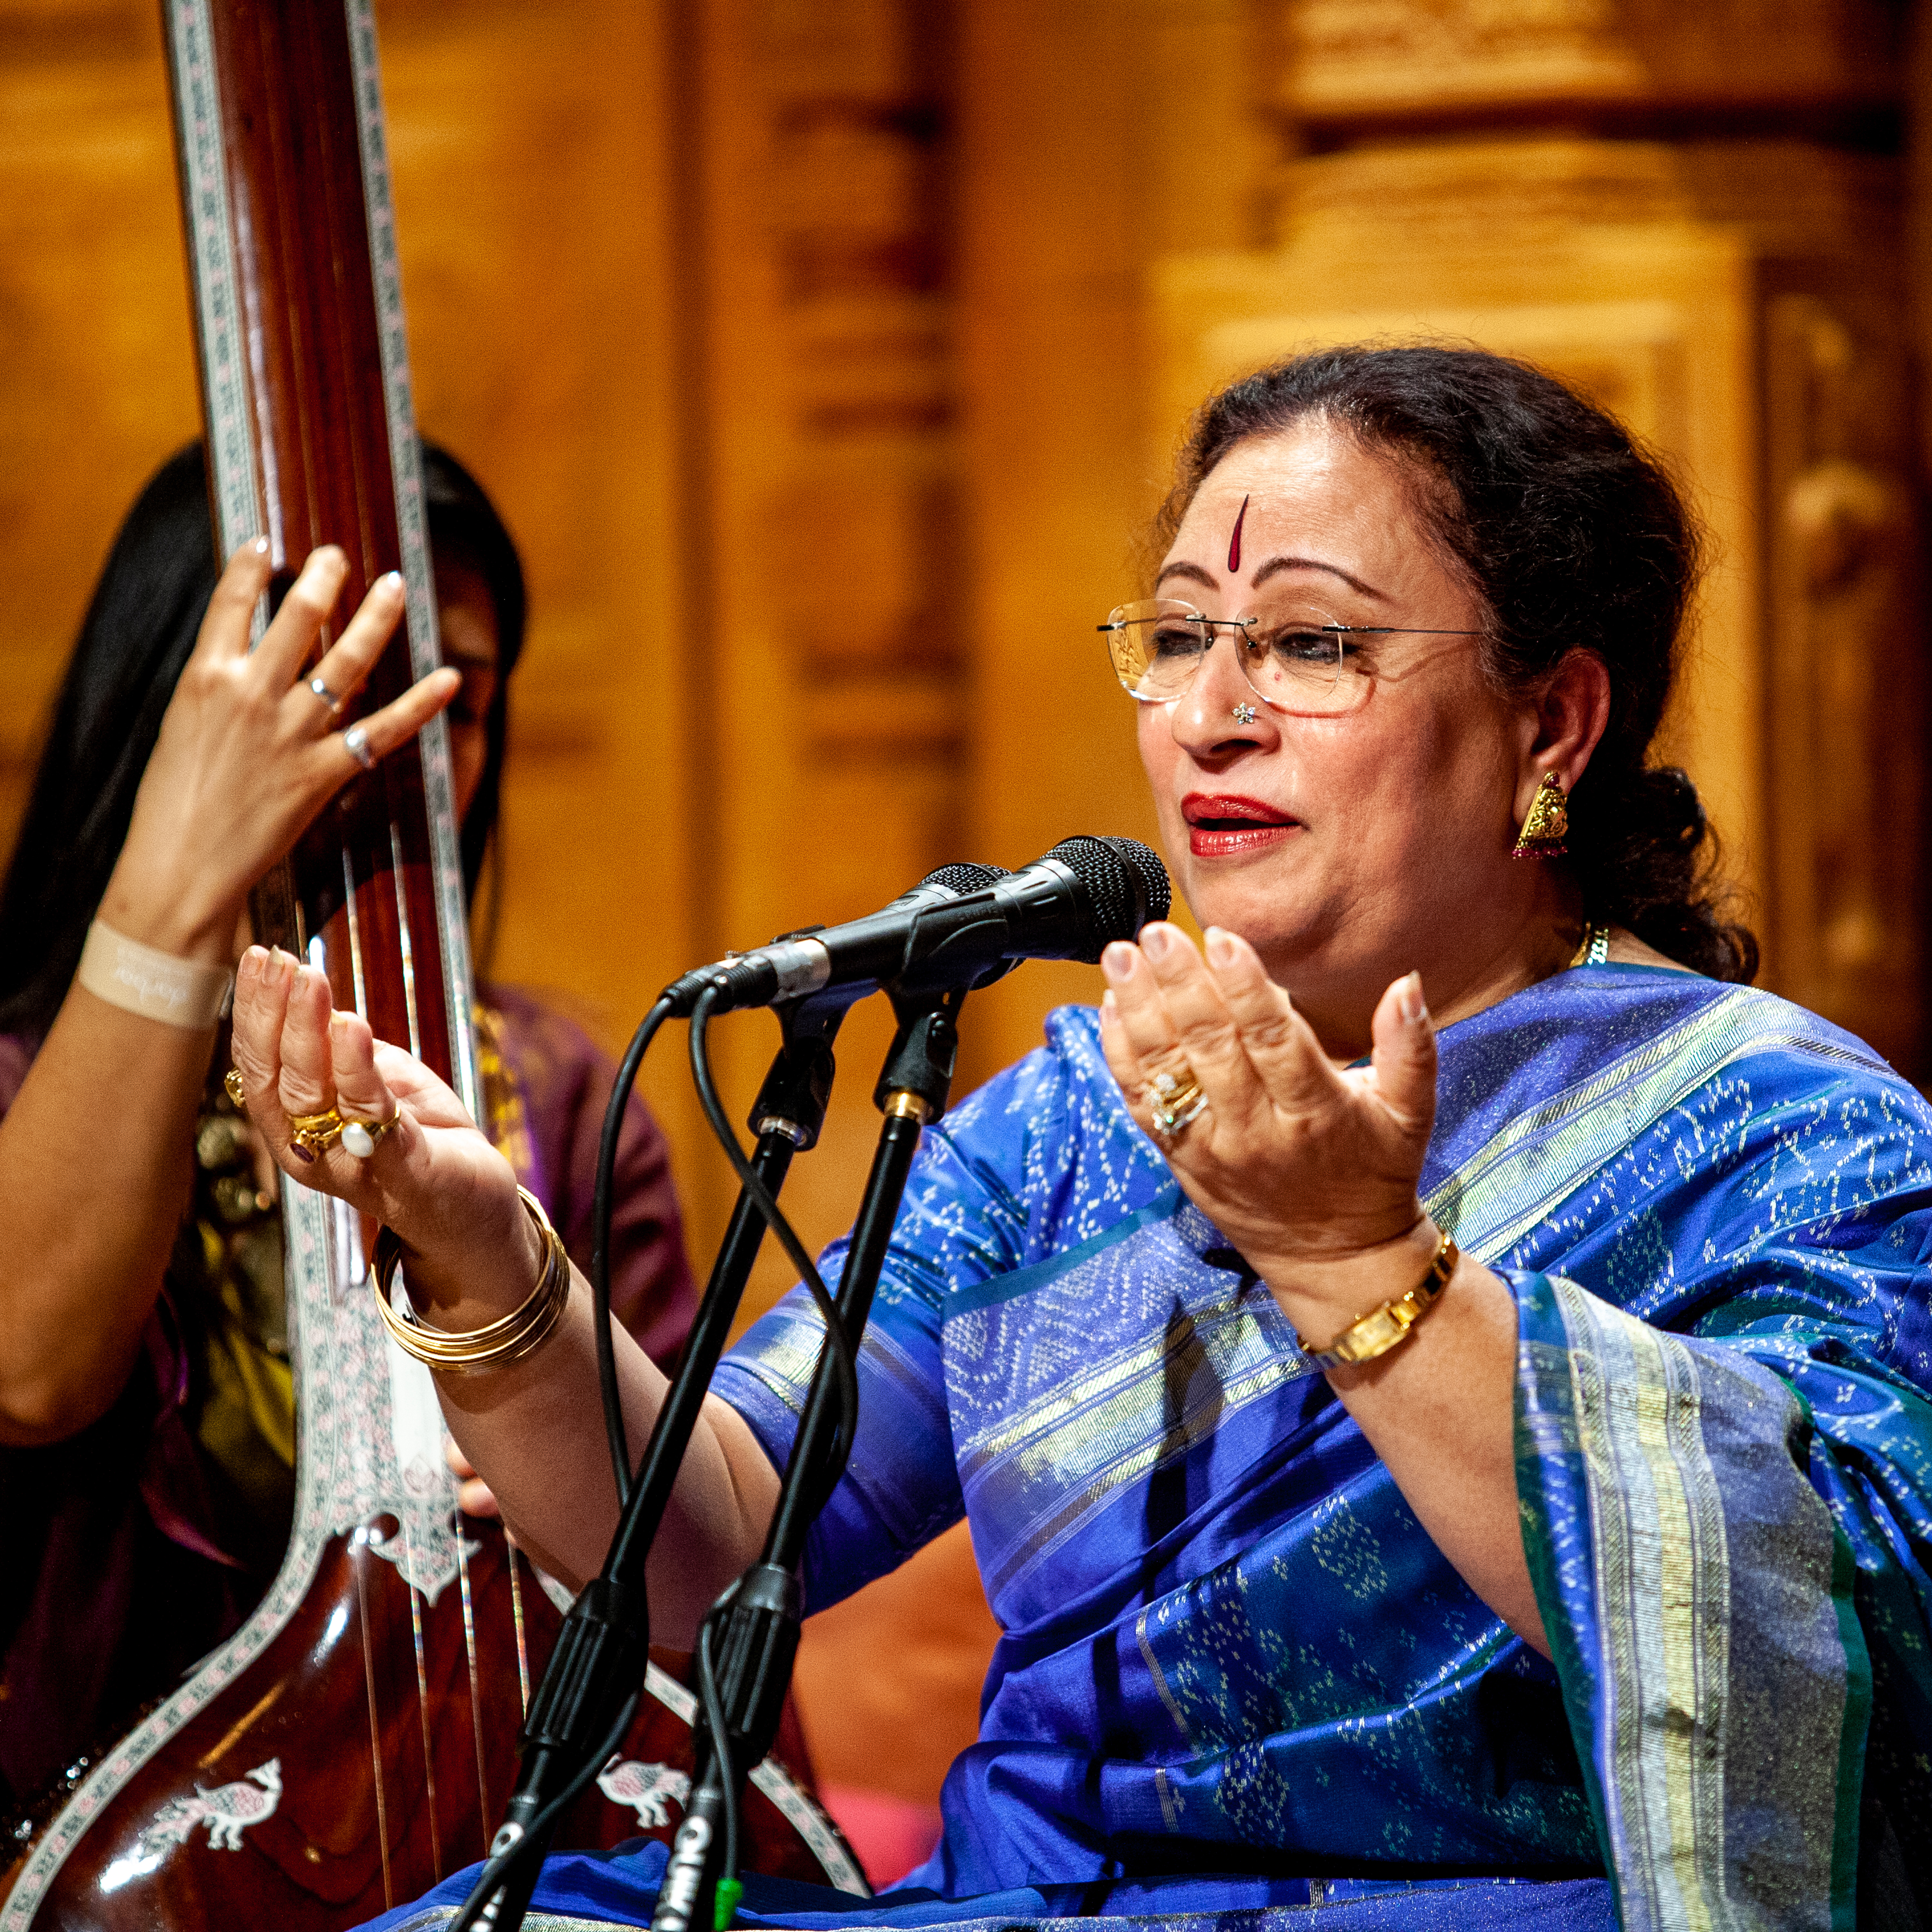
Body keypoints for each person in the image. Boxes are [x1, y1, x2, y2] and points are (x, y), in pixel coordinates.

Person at [230, 346, 1932, 1930]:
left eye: (1313, 644)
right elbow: (714, 1533)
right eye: (1182, 636)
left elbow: (1846, 1655)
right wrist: (479, 1242)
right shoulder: (1084, 1106)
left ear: (1553, 723)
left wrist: (1360, 1262)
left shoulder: (1789, 1139)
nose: (1211, 712)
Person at [0, 444, 694, 1820]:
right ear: (182, 699)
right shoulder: (20, 1071)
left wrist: (564, 1483)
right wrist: (180, 875)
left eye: (462, 705)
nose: (395, 749)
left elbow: (703, 1564)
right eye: (333, 689)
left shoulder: (556, 1093)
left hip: (484, 1821)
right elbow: (30, 1371)